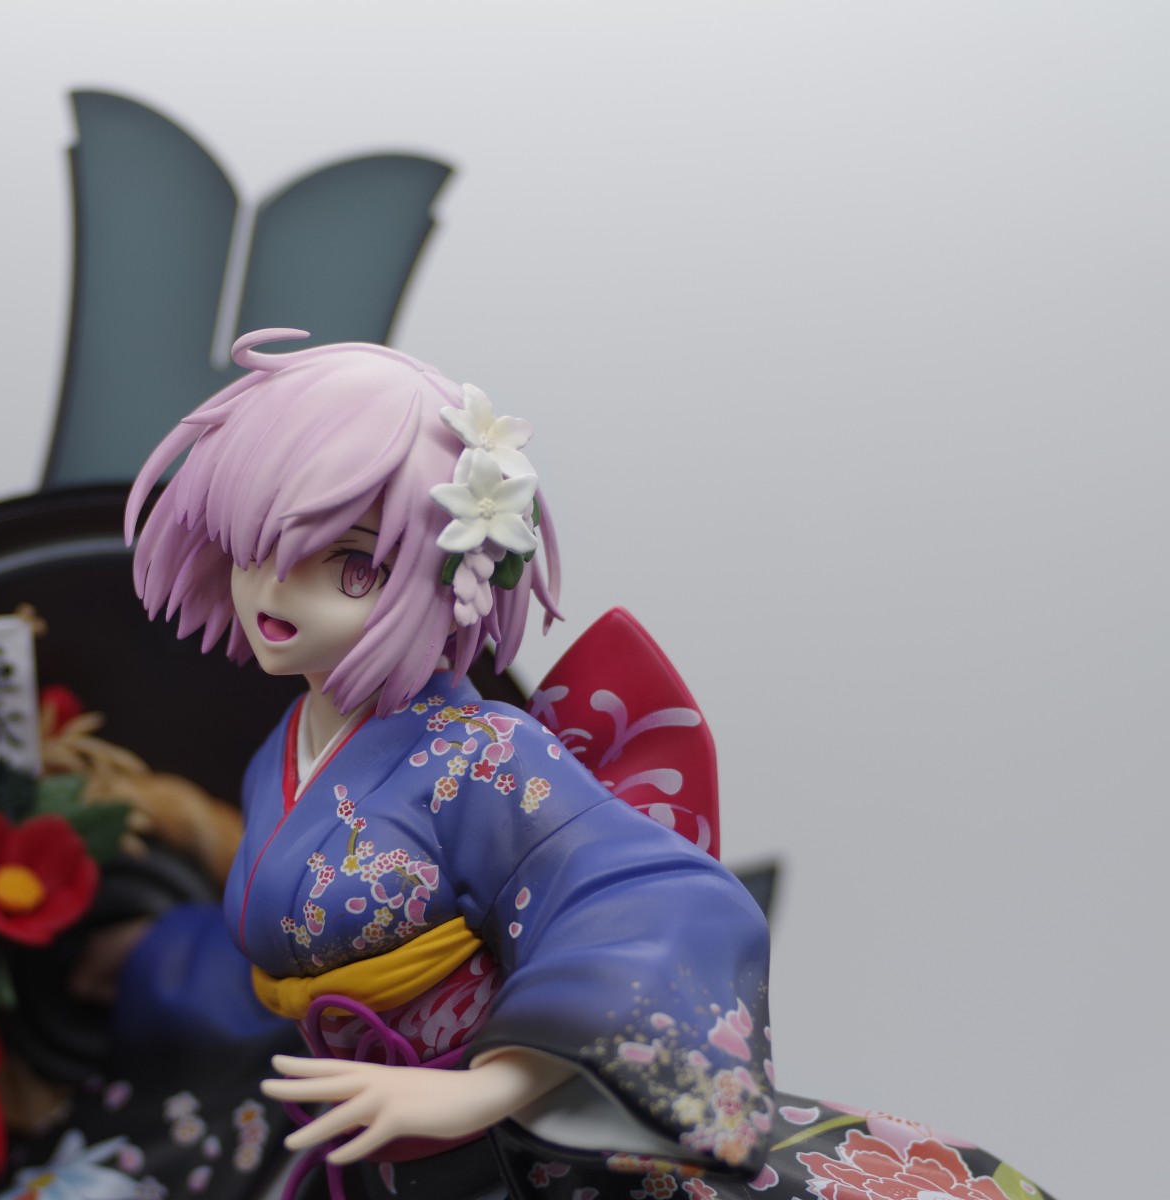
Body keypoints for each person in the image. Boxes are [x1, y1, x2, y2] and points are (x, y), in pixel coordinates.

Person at [123, 329, 780, 1199]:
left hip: (484, 1156)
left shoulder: (484, 755)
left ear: (448, 571)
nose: (277, 587)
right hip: (360, 1143)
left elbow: (663, 903)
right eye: (261, 545)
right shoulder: (281, 751)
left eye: (353, 563)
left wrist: (486, 1087)